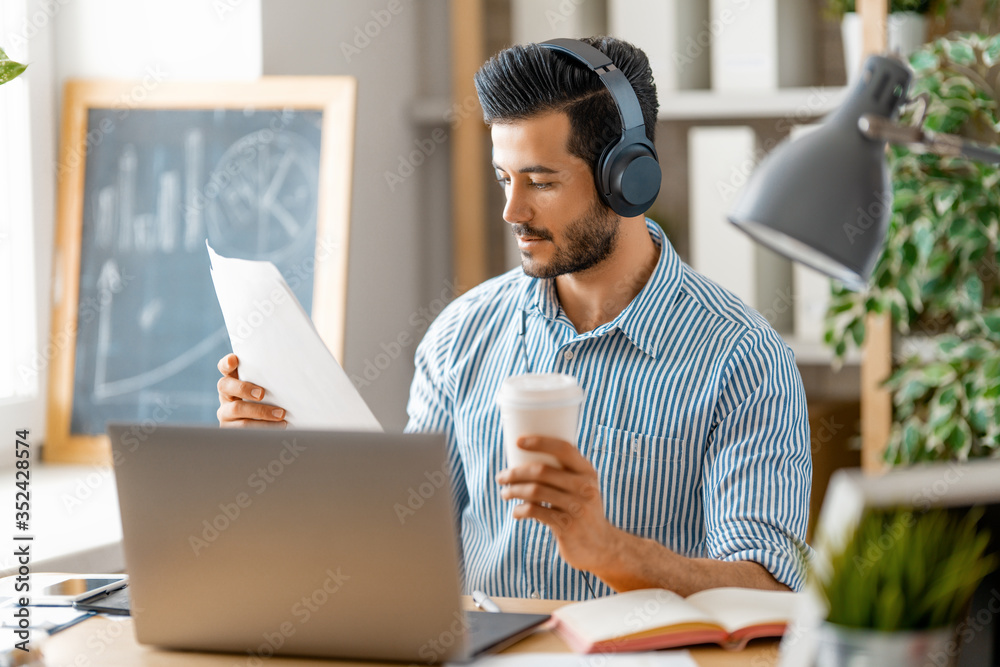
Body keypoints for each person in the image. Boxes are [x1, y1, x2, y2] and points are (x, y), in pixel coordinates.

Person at [217, 36, 811, 601]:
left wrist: (610, 551)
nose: (512, 210)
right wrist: (287, 464)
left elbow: (769, 590)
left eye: (541, 182)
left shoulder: (744, 357)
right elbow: (405, 549)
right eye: (504, 179)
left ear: (629, 180)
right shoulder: (461, 334)